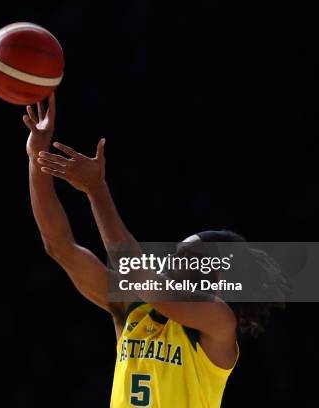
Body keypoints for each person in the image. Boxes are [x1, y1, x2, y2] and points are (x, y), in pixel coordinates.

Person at [23, 92, 286, 407]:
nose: (173, 261)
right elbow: (59, 246)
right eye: (177, 253)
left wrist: (97, 190)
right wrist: (36, 157)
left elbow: (136, 273)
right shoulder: (132, 308)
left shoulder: (218, 322)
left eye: (188, 259)